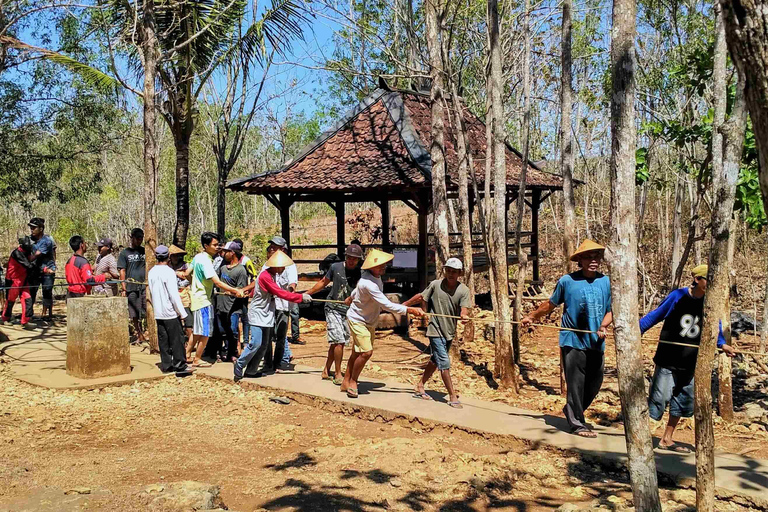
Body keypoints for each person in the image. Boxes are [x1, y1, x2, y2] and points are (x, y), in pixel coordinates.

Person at [521, 239, 612, 438]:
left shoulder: (606, 282)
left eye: (596, 256)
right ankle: (577, 423)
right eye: (588, 257)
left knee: (595, 383)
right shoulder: (567, 281)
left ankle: (572, 411)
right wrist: (532, 316)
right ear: (579, 260)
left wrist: (603, 325)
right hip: (572, 340)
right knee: (576, 383)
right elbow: (551, 304)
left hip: (596, 341)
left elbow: (611, 310)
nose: (593, 260)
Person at [640, 264, 736, 452]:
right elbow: (656, 316)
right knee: (659, 399)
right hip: (668, 358)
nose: (711, 283)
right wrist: (637, 330)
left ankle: (667, 438)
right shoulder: (678, 296)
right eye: (707, 279)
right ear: (697, 279)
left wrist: (722, 344)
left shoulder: (710, 301)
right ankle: (642, 437)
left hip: (691, 362)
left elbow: (714, 328)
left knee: (681, 402)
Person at [341, 249, 424, 398]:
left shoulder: (373, 277)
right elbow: (387, 305)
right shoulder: (368, 283)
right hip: (357, 319)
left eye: (384, 265)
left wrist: (351, 297)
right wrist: (409, 310)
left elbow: (357, 289)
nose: (383, 267)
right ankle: (353, 381)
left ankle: (346, 381)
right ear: (371, 266)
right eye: (379, 265)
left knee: (357, 352)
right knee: (366, 352)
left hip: (369, 320)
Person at [402, 257, 471, 408]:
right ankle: (452, 396)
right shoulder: (435, 285)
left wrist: (464, 317)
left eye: (454, 272)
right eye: (449, 271)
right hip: (435, 329)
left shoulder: (464, 290)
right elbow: (421, 296)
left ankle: (420, 386)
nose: (451, 274)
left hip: (449, 331)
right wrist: (405, 305)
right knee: (444, 362)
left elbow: (464, 309)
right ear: (445, 271)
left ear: (459, 273)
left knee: (435, 360)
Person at [234, 250, 311, 381]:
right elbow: (279, 292)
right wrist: (299, 297)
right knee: (256, 342)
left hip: (267, 312)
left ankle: (251, 370)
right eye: (282, 266)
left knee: (264, 344)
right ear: (276, 266)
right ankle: (240, 364)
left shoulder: (272, 276)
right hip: (258, 312)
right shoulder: (265, 276)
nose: (283, 269)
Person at [183, 232, 243, 367]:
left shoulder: (197, 257)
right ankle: (197, 359)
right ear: (206, 245)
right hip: (204, 300)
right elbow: (218, 283)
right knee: (205, 333)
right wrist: (236, 290)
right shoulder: (207, 262)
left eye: (218, 245)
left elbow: (187, 273)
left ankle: (187, 355)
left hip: (196, 298)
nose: (218, 247)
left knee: (197, 331)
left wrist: (194, 284)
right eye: (215, 245)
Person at [306, 243, 364, 384]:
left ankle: (326, 369)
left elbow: (360, 290)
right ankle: (338, 373)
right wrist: (308, 293)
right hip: (332, 307)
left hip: (348, 310)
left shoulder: (360, 273)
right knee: (339, 342)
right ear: (346, 257)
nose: (351, 261)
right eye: (349, 257)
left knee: (338, 343)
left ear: (358, 260)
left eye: (355, 259)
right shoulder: (335, 267)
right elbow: (323, 282)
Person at [147, 245, 193, 375]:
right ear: (168, 256)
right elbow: (174, 295)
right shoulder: (169, 272)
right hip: (170, 312)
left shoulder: (151, 272)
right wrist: (182, 313)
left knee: (164, 339)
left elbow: (151, 291)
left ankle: (166, 365)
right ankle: (180, 365)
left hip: (159, 312)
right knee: (177, 339)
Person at [266, 236, 301, 371]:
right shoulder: (267, 264)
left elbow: (293, 283)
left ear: (283, 249)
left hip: (283, 305)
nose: (272, 248)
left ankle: (279, 361)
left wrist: (291, 292)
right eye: (271, 246)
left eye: (275, 246)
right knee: (269, 335)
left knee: (280, 335)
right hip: (269, 305)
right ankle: (268, 362)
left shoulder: (290, 265)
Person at [216, 241, 250, 362]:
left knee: (233, 331)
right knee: (221, 330)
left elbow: (241, 290)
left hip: (233, 307)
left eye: (225, 251)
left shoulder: (241, 270)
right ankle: (222, 352)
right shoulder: (222, 267)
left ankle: (231, 353)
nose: (223, 253)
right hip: (221, 306)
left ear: (232, 253)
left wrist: (231, 292)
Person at [118, 228, 147, 345]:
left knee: (146, 309)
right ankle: (139, 334)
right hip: (131, 287)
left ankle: (148, 332)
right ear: (132, 238)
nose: (139, 240)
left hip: (145, 286)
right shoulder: (125, 253)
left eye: (141, 238)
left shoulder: (145, 251)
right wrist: (124, 287)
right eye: (137, 237)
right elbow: (122, 271)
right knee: (134, 313)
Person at [26, 217, 56, 325]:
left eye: (34, 228)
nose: (32, 230)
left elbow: (35, 256)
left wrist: (21, 260)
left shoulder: (47, 241)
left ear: (41, 228)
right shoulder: (29, 239)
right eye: (31, 228)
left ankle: (45, 315)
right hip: (35, 270)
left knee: (47, 291)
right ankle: (29, 315)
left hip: (47, 270)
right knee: (31, 292)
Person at [1, 237, 35, 327]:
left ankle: (25, 321)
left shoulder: (27, 252)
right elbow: (28, 265)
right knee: (10, 300)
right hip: (13, 280)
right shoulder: (17, 253)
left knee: (27, 299)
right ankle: (5, 318)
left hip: (23, 279)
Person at [169, 245, 194, 359]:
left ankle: (191, 342)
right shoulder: (168, 267)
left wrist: (182, 276)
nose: (175, 258)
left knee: (188, 318)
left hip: (184, 293)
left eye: (176, 256)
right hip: (172, 294)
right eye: (173, 256)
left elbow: (189, 279)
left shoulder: (185, 266)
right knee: (176, 319)